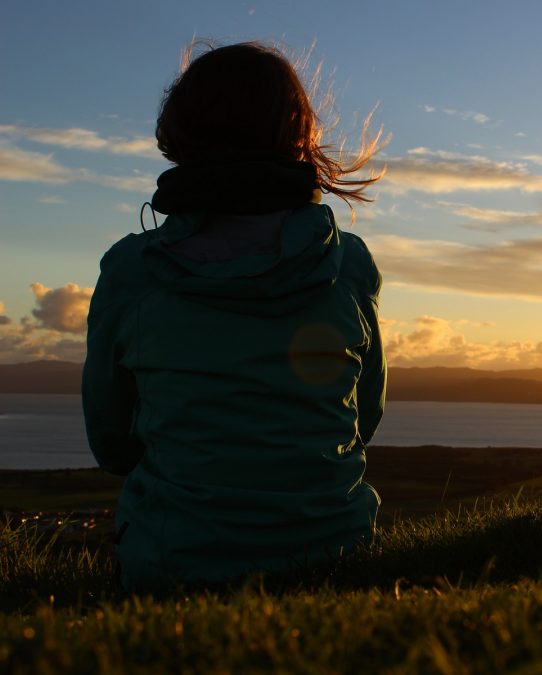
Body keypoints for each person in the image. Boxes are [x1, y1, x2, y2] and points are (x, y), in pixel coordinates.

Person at [81, 42, 387, 589]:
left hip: (172, 568)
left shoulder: (133, 272)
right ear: (299, 135)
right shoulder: (348, 264)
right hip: (338, 560)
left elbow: (111, 443)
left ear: (180, 135)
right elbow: (363, 420)